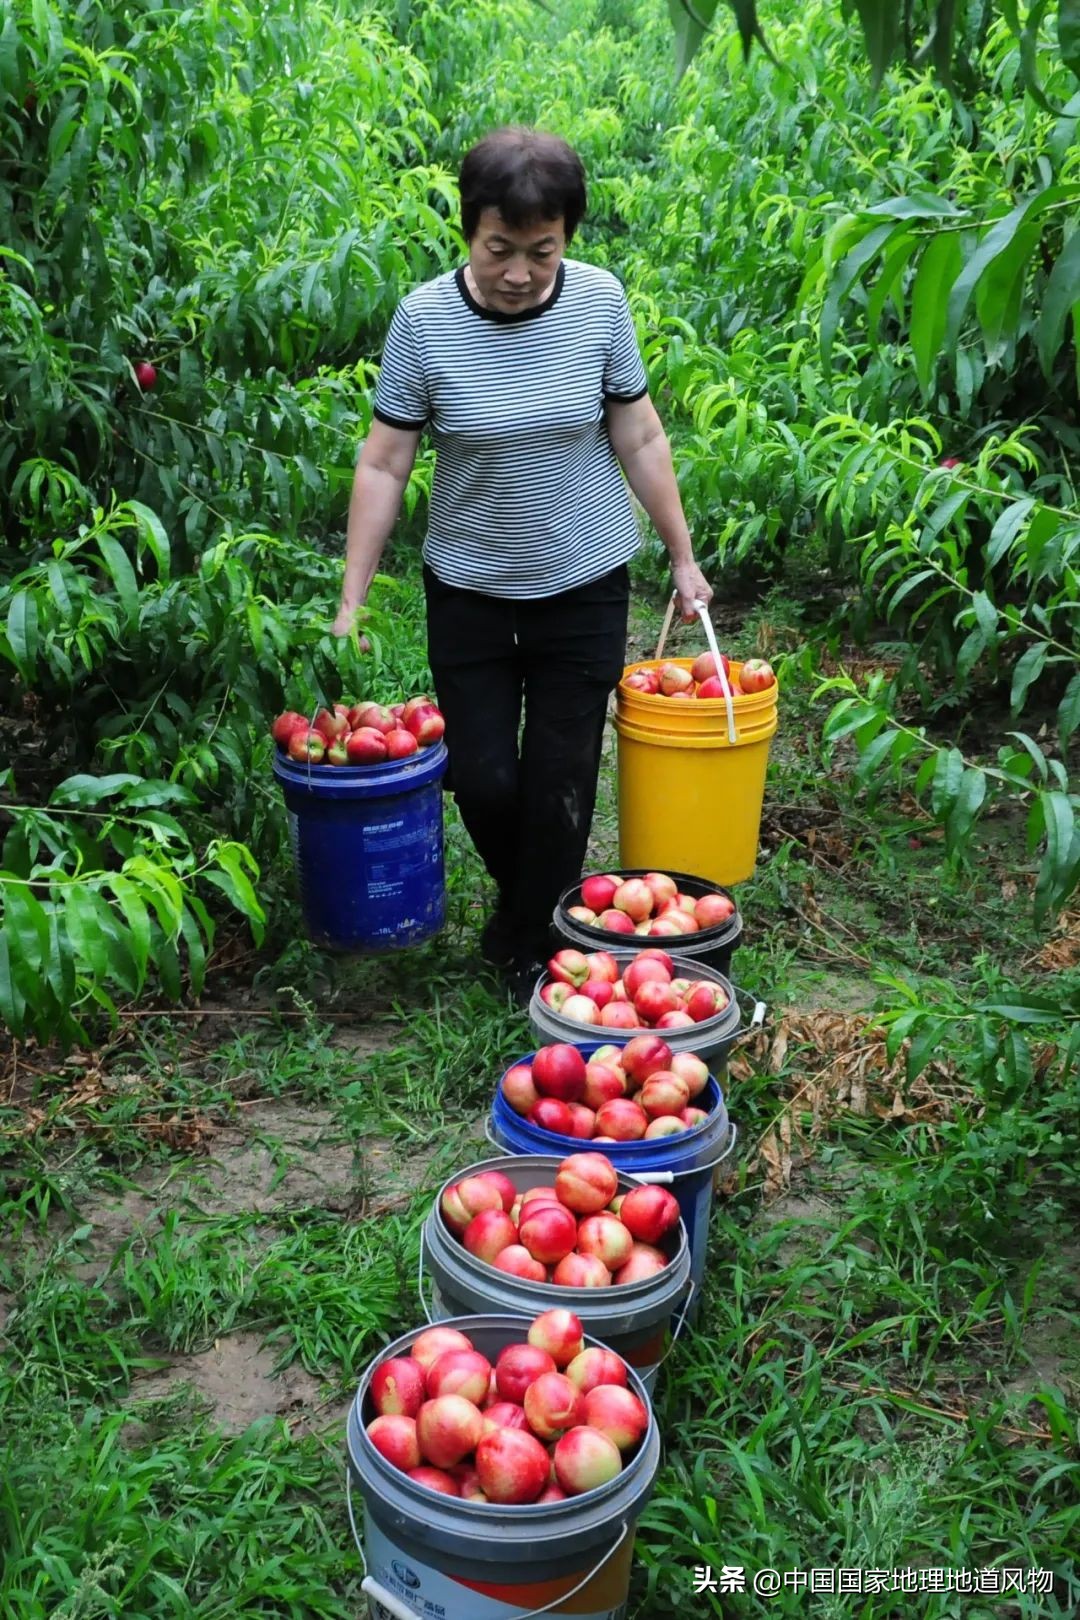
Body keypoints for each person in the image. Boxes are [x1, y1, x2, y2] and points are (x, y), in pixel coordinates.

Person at [333, 126, 711, 999]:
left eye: (542, 252)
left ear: (567, 240)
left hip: (583, 578)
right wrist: (352, 595)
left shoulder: (600, 304)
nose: (518, 272)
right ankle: (543, 912)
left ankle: (536, 944)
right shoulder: (424, 321)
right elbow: (385, 461)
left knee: (560, 778)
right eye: (500, 249)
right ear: (469, 233)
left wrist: (682, 558)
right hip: (468, 586)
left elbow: (639, 431)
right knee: (484, 776)